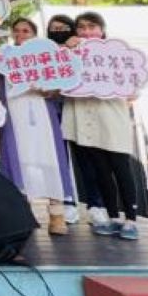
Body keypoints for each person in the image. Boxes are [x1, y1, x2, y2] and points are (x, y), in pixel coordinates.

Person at [0, 18, 74, 235]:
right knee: (18, 161)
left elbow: (61, 86)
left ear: (34, 34)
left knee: (50, 159)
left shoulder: (47, 55)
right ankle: (23, 213)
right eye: (16, 31)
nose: (20, 34)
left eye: (26, 31)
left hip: (43, 114)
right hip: (14, 115)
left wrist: (49, 90)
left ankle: (57, 214)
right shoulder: (4, 58)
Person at [61, 11, 140, 240]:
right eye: (82, 27)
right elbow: (54, 76)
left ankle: (131, 220)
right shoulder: (70, 53)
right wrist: (65, 49)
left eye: (92, 27)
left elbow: (134, 89)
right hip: (86, 121)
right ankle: (113, 216)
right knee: (101, 171)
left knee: (121, 169)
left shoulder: (117, 52)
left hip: (111, 119)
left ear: (102, 30)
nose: (87, 32)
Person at [47, 14, 100, 226]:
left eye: (63, 28)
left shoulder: (84, 48)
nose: (59, 31)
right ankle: (67, 201)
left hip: (79, 109)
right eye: (54, 28)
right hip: (53, 110)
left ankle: (96, 205)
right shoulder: (44, 51)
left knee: (86, 157)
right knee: (60, 158)